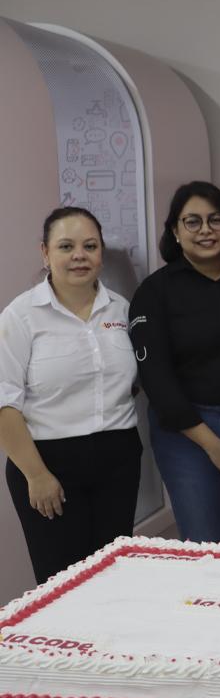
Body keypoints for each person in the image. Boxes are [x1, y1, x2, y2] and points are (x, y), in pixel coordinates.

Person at [0, 207, 142, 584]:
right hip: (48, 466)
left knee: (114, 578)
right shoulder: (21, 316)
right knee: (62, 585)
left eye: (89, 246)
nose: (79, 255)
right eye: (66, 246)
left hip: (118, 460)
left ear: (100, 253)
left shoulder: (123, 310)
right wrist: (37, 474)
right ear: (45, 253)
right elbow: (4, 402)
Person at [129, 181, 220, 544]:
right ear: (175, 231)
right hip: (186, 435)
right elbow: (156, 380)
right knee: (202, 545)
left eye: (216, 220)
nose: (205, 230)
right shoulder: (155, 291)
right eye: (192, 222)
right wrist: (211, 444)